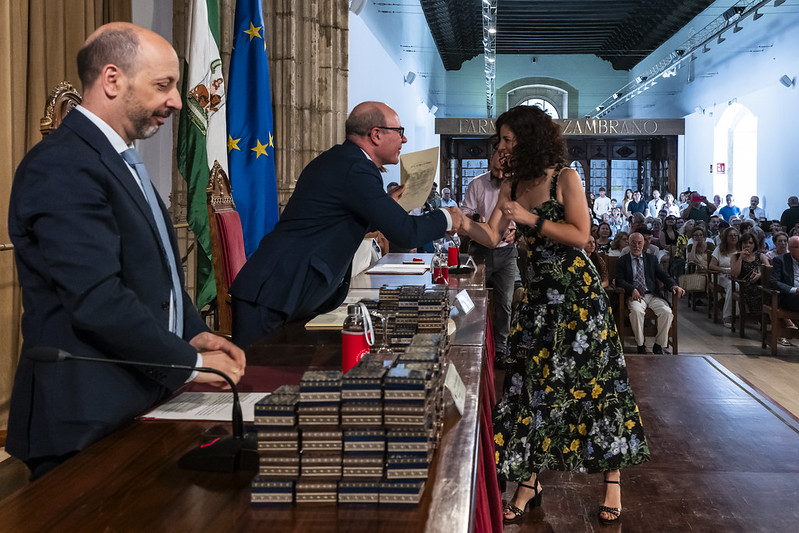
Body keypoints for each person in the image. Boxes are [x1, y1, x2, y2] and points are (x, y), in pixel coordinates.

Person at [6, 23, 246, 480]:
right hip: (84, 413)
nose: (177, 101)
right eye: (164, 85)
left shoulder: (116, 157)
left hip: (134, 397)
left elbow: (153, 268)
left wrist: (191, 330)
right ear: (113, 80)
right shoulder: (62, 164)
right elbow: (97, 299)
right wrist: (190, 363)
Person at [455, 105, 649, 526]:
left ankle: (612, 479)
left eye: (508, 139)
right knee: (531, 389)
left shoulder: (565, 177)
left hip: (579, 301)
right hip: (540, 303)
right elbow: (491, 235)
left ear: (529, 138)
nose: (502, 147)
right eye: (500, 140)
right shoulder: (510, 183)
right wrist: (460, 223)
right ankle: (529, 481)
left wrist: (530, 219)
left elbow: (581, 236)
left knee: (595, 386)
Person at [229, 101, 461, 347]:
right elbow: (406, 233)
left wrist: (384, 206)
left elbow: (338, 217)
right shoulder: (356, 168)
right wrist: (447, 216)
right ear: (376, 134)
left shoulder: (346, 161)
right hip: (277, 293)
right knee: (255, 379)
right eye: (400, 132)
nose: (404, 140)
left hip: (285, 292)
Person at [460, 149, 518, 362]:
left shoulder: (516, 186)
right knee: (472, 300)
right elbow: (465, 213)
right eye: (496, 170)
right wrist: (476, 217)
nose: (501, 175)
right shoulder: (477, 183)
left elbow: (524, 216)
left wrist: (516, 231)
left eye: (505, 171)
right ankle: (472, 342)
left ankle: (501, 349)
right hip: (480, 250)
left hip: (506, 252)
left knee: (504, 302)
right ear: (490, 159)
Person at [615, 233, 685, 354]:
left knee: (667, 312)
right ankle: (640, 344)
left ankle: (658, 344)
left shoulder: (651, 259)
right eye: (633, 243)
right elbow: (619, 280)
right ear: (629, 244)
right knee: (636, 312)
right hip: (634, 296)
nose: (636, 246)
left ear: (644, 244)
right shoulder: (623, 260)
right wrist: (632, 289)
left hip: (652, 294)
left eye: (639, 243)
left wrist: (674, 285)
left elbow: (663, 275)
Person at [730, 231, 770, 322]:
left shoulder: (760, 256)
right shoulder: (735, 257)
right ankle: (761, 318)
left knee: (770, 292)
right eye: (745, 242)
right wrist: (741, 258)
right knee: (756, 292)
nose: (747, 245)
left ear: (754, 244)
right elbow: (734, 274)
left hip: (760, 284)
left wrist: (759, 275)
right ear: (741, 244)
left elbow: (768, 271)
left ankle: (768, 318)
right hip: (744, 285)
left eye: (750, 243)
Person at [709, 227, 740, 328]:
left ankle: (742, 314)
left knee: (741, 285)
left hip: (738, 275)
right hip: (721, 275)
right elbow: (712, 265)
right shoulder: (719, 249)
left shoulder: (741, 249)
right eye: (731, 236)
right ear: (726, 237)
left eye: (735, 235)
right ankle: (728, 315)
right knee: (733, 286)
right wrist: (724, 270)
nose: (733, 237)